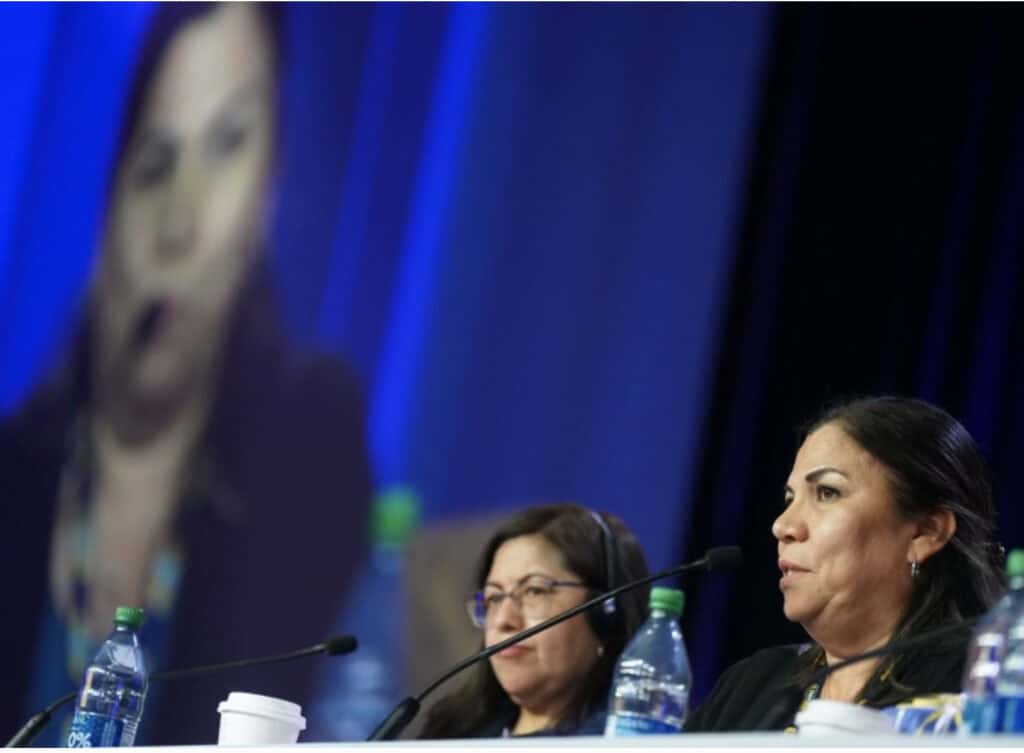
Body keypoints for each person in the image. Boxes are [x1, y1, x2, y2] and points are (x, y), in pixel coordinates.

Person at [0, 3, 372, 745]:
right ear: (108, 210)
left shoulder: (309, 445)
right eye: (155, 165)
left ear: (271, 184)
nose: (179, 224)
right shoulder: (16, 475)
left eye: (228, 144)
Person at [685, 396, 1006, 731]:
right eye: (789, 499)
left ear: (925, 532)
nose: (783, 526)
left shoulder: (984, 690)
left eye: (827, 492)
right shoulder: (752, 688)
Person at [418, 503, 650, 738]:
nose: (503, 620)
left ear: (605, 612)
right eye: (495, 598)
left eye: (534, 591)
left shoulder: (632, 742)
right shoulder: (450, 734)